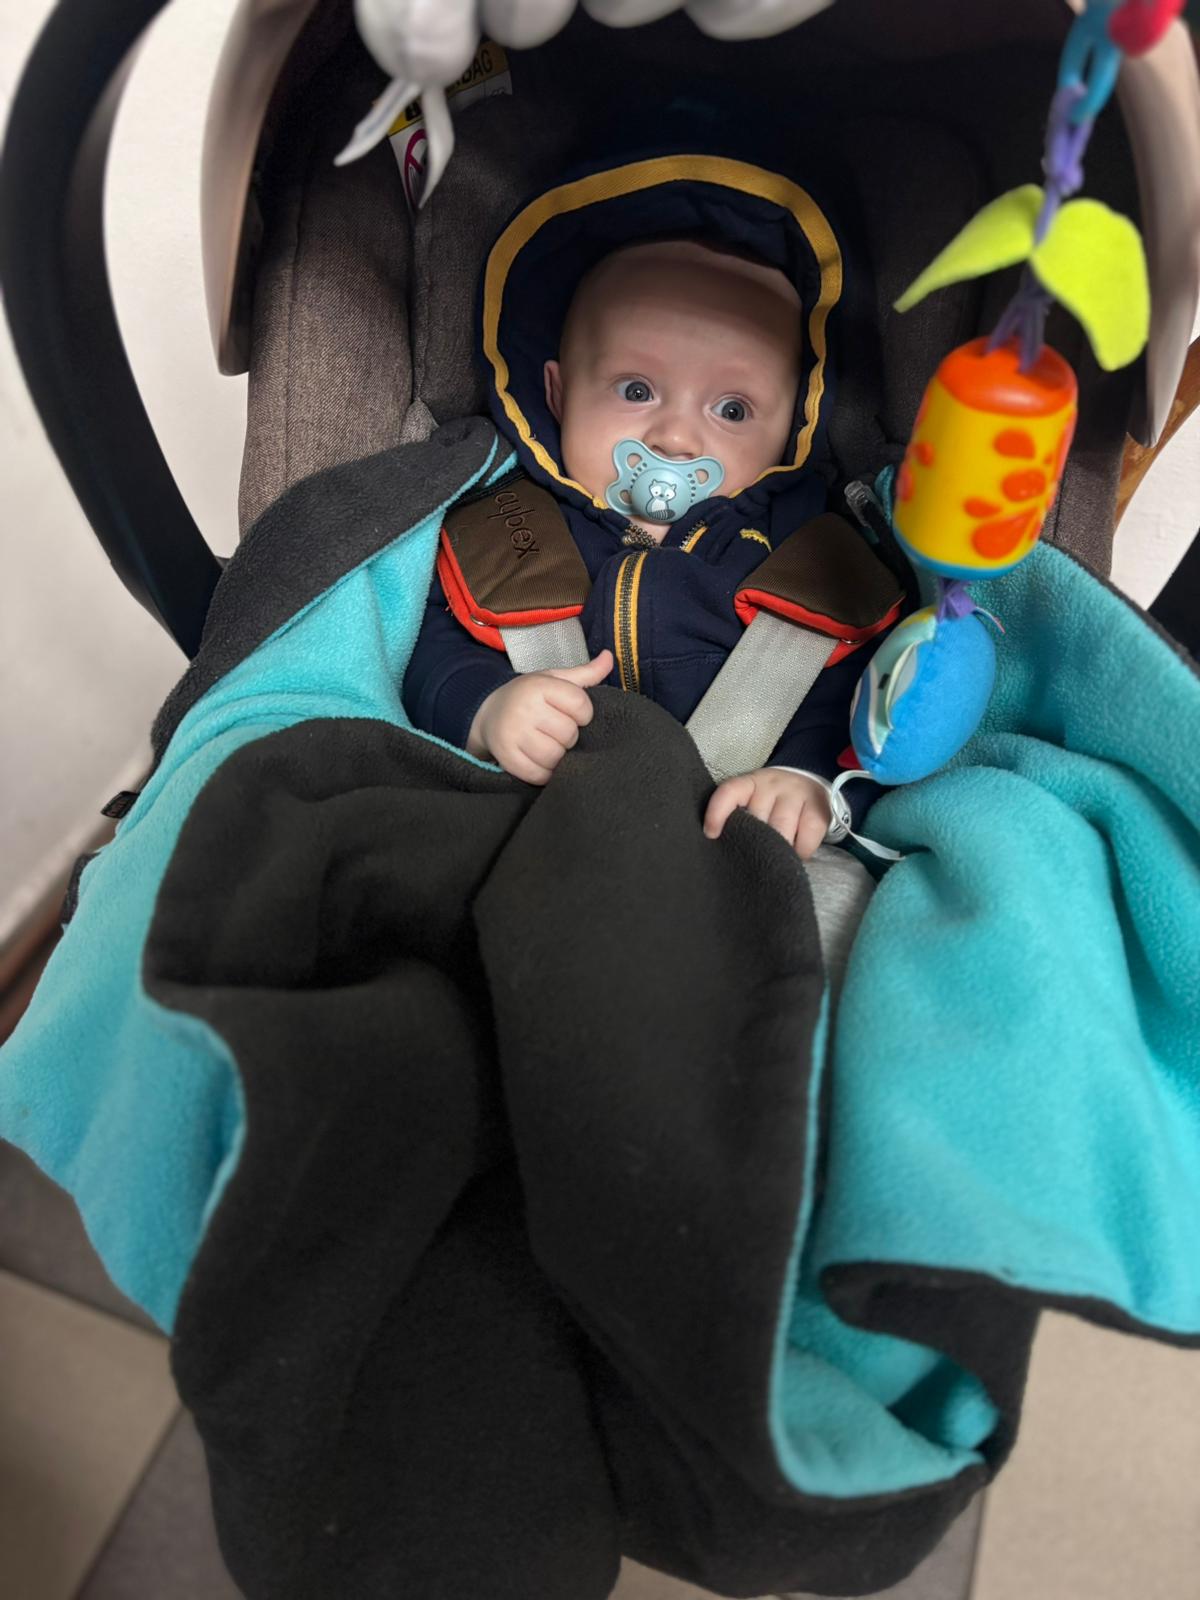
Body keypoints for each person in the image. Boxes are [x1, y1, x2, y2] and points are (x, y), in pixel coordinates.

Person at [402, 145, 898, 872]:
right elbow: (423, 648)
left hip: (736, 849)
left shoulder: (813, 556)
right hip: (530, 830)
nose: (675, 437)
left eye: (732, 409)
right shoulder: (502, 526)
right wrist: (484, 708)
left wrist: (807, 779)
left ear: (794, 424)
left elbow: (869, 694)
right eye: (636, 390)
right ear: (559, 393)